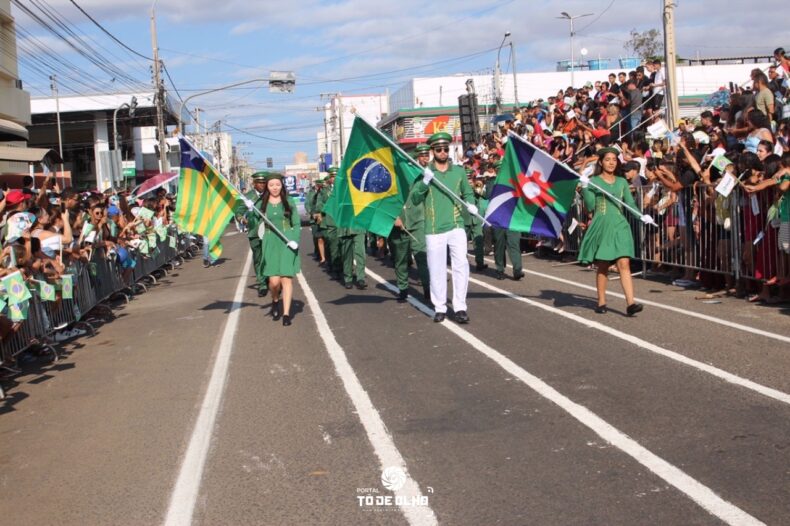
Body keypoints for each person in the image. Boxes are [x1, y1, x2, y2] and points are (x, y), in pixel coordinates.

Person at [410, 132, 476, 323]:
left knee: (461, 265)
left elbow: (468, 193)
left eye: (445, 148)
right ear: (433, 151)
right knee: (436, 269)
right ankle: (440, 307)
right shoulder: (424, 172)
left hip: (456, 225)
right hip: (434, 229)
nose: (443, 152)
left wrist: (471, 204)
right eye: (438, 149)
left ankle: (460, 307)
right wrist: (425, 182)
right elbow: (415, 199)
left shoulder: (459, 171)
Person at [577, 147, 644, 316]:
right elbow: (590, 206)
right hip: (602, 224)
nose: (611, 163)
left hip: (620, 224)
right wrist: (585, 186)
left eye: (614, 159)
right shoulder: (594, 181)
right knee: (604, 265)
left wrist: (641, 216)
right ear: (601, 162)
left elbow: (630, 203)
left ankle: (630, 303)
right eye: (607, 159)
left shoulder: (622, 182)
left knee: (624, 263)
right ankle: (601, 301)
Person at [258, 171, 301, 327]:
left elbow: (296, 222)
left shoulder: (289, 201)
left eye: (277, 184)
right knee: (274, 282)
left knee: (286, 279)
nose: (275, 187)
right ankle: (275, 300)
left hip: (287, 241)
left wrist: (294, 239)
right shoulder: (261, 203)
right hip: (270, 241)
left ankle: (286, 314)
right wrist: (249, 212)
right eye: (271, 185)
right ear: (267, 187)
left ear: (282, 185)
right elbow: (253, 222)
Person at [389, 144, 430, 301]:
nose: (425, 158)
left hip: (418, 220)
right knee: (401, 260)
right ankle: (403, 288)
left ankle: (427, 288)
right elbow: (387, 199)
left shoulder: (424, 175)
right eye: (422, 155)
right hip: (399, 222)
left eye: (427, 155)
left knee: (421, 256)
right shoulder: (393, 177)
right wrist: (394, 216)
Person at [236, 172, 269, 296]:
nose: (262, 185)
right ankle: (262, 283)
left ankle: (271, 279)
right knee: (258, 258)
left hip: (269, 231)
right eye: (259, 183)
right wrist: (243, 220)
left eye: (264, 182)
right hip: (254, 231)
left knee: (269, 256)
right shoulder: (248, 197)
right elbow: (238, 212)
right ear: (254, 184)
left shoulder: (270, 194)